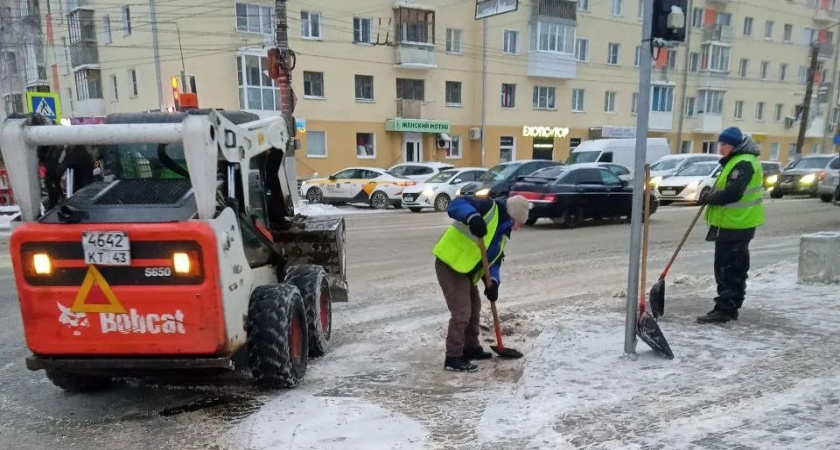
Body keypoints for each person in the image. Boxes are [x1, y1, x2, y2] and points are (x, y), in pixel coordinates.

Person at [432, 194, 530, 372]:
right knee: (462, 312)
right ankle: (453, 357)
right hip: (449, 263)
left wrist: (493, 282)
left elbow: (494, 261)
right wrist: (472, 217)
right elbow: (456, 204)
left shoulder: (501, 234)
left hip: (465, 270)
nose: (517, 228)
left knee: (474, 308)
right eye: (519, 223)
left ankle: (470, 347)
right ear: (512, 216)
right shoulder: (486, 206)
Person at [697, 127, 765, 324]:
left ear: (734, 145)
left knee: (730, 268)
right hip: (731, 224)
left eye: (724, 145)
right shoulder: (737, 161)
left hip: (737, 224)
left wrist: (711, 197)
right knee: (728, 267)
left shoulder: (743, 163)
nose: (721, 149)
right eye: (720, 145)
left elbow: (733, 193)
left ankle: (726, 309)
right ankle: (726, 306)